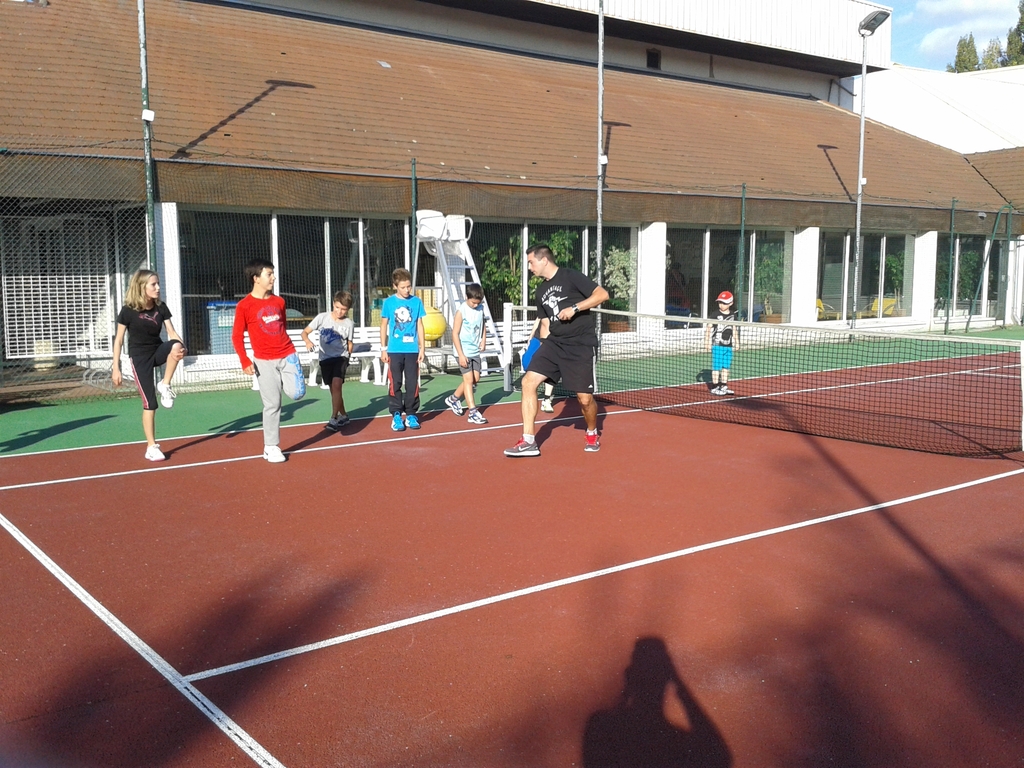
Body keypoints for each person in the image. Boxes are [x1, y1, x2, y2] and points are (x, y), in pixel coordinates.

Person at [504, 244, 608, 457]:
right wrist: (539, 347)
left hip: (580, 345)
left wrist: (575, 308)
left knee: (585, 400)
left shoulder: (571, 276)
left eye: (531, 262)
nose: (529, 267)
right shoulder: (540, 291)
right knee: (528, 382)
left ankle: (591, 431)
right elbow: (545, 323)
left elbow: (602, 294)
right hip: (554, 343)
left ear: (544, 260)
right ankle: (528, 441)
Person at [231, 258, 306, 463]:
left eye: (273, 274)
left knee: (297, 394)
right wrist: (244, 360)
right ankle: (271, 447)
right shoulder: (244, 306)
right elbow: (236, 336)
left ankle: (288, 375)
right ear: (256, 278)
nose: (273, 278)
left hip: (288, 354)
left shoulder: (279, 302)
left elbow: (282, 327)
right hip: (263, 361)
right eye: (269, 274)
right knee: (272, 404)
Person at [112, 270, 186, 461]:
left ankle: (165, 384)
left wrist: (182, 348)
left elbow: (172, 333)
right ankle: (151, 447)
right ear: (141, 286)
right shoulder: (128, 310)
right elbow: (118, 340)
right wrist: (116, 368)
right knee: (150, 404)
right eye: (153, 284)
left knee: (176, 345)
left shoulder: (161, 307)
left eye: (158, 283)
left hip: (157, 350)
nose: (158, 288)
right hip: (140, 358)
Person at [302, 290, 354, 431]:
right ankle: (344, 416)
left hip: (341, 358)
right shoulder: (322, 318)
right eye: (337, 307)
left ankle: (334, 418)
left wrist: (348, 357)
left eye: (343, 309)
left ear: (348, 309)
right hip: (325, 359)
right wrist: (307, 341)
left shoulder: (349, 323)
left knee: (337, 385)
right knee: (334, 391)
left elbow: (350, 343)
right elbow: (304, 332)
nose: (339, 311)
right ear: (333, 304)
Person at [380, 267, 425, 431]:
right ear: (395, 286)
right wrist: (383, 348)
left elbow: (419, 325)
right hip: (394, 350)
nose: (407, 290)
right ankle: (396, 414)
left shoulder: (417, 302)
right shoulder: (388, 303)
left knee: (412, 383)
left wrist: (422, 348)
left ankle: (411, 414)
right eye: (403, 287)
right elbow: (383, 325)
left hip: (412, 351)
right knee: (395, 382)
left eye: (409, 286)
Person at [444, 283, 489, 425]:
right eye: (473, 302)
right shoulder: (461, 311)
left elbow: (482, 325)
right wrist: (461, 355)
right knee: (468, 380)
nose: (475, 305)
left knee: (475, 379)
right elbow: (455, 334)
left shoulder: (480, 309)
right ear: (466, 297)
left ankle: (453, 399)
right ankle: (473, 413)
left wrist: (483, 340)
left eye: (478, 303)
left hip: (475, 350)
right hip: (463, 351)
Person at [704, 290, 738, 396]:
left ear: (730, 303)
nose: (721, 305)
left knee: (726, 367)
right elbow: (708, 328)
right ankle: (715, 387)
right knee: (716, 367)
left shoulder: (733, 315)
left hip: (728, 346)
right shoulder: (715, 314)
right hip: (717, 345)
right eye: (720, 302)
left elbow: (734, 329)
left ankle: (723, 386)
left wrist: (737, 342)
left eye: (724, 303)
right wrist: (707, 342)